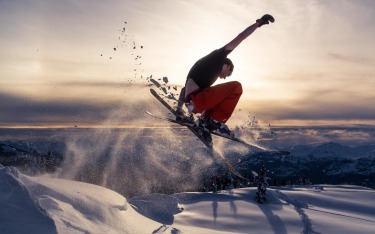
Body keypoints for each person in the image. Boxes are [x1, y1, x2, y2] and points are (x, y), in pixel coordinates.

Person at [176, 14, 275, 137]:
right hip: (198, 100)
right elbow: (241, 37)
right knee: (236, 87)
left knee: (218, 97)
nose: (224, 78)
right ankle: (214, 122)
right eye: (228, 74)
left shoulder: (203, 70)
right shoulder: (218, 57)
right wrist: (258, 23)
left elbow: (184, 90)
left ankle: (205, 123)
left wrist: (179, 111)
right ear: (226, 65)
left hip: (193, 102)